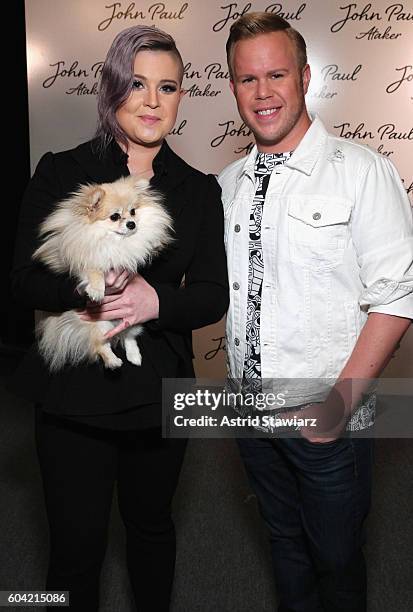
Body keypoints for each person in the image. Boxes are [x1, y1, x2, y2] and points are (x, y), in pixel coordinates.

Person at [11, 25, 228, 611]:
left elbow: (211, 296)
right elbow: (22, 281)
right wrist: (89, 289)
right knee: (75, 548)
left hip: (159, 392)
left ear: (182, 97)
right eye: (137, 84)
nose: (153, 101)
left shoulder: (200, 190)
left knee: (152, 531)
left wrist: (158, 301)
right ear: (112, 89)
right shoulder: (62, 171)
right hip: (74, 394)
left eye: (168, 87)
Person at [218, 12, 412, 612]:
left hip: (328, 413)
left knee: (336, 558)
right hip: (248, 408)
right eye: (247, 79)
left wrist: (337, 407)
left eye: (276, 74)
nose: (263, 92)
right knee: (284, 543)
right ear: (233, 88)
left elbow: (397, 297)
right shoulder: (226, 184)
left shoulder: (362, 172)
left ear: (305, 77)